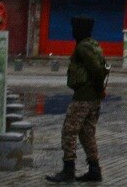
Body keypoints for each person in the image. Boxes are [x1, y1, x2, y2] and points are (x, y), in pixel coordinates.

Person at [46, 16, 108, 183]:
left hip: (84, 97)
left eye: (75, 28)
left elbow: (96, 69)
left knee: (69, 131)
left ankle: (68, 170)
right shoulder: (94, 44)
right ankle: (94, 169)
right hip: (93, 97)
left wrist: (97, 87)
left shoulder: (83, 47)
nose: (73, 32)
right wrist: (99, 90)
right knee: (87, 133)